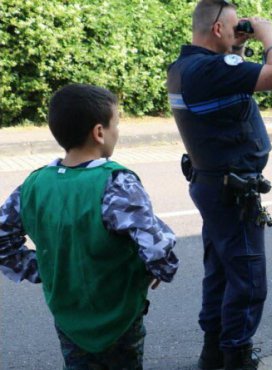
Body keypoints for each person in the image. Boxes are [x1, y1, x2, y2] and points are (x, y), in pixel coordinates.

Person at [0, 84, 179, 369]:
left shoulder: (32, 186)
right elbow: (156, 247)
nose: (117, 131)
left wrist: (45, 269)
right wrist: (159, 269)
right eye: (116, 124)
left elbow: (3, 240)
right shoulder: (117, 183)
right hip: (118, 314)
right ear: (99, 132)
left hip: (68, 315)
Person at [166, 1, 272, 369]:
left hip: (214, 184)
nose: (243, 29)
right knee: (249, 280)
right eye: (235, 25)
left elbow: (233, 84)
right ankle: (237, 355)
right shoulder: (209, 69)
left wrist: (236, 45)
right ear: (218, 29)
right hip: (231, 192)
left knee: (221, 272)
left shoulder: (186, 67)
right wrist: (266, 32)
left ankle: (214, 352)